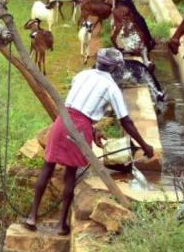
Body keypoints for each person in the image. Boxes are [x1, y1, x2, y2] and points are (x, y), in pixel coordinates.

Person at [23, 48, 155, 235]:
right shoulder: (112, 88)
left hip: (62, 121)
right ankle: (61, 225)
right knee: (70, 174)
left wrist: (93, 130)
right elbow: (126, 121)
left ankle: (32, 216)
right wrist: (144, 145)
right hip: (80, 127)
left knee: (48, 166)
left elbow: (76, 106)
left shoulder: (82, 75)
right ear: (116, 68)